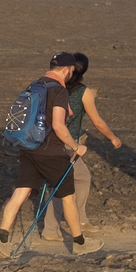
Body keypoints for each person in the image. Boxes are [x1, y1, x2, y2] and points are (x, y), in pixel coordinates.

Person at [0, 52, 100, 258]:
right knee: (68, 197)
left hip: (28, 149)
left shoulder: (35, 84)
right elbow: (59, 126)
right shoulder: (59, 90)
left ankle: (1, 241)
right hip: (51, 153)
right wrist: (76, 147)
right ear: (68, 70)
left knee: (20, 193)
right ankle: (80, 243)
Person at [43, 51, 121, 249]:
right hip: (67, 144)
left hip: (47, 141)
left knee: (81, 177)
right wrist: (113, 138)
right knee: (62, 185)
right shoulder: (84, 92)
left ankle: (79, 219)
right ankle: (52, 229)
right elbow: (97, 122)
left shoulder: (49, 86)